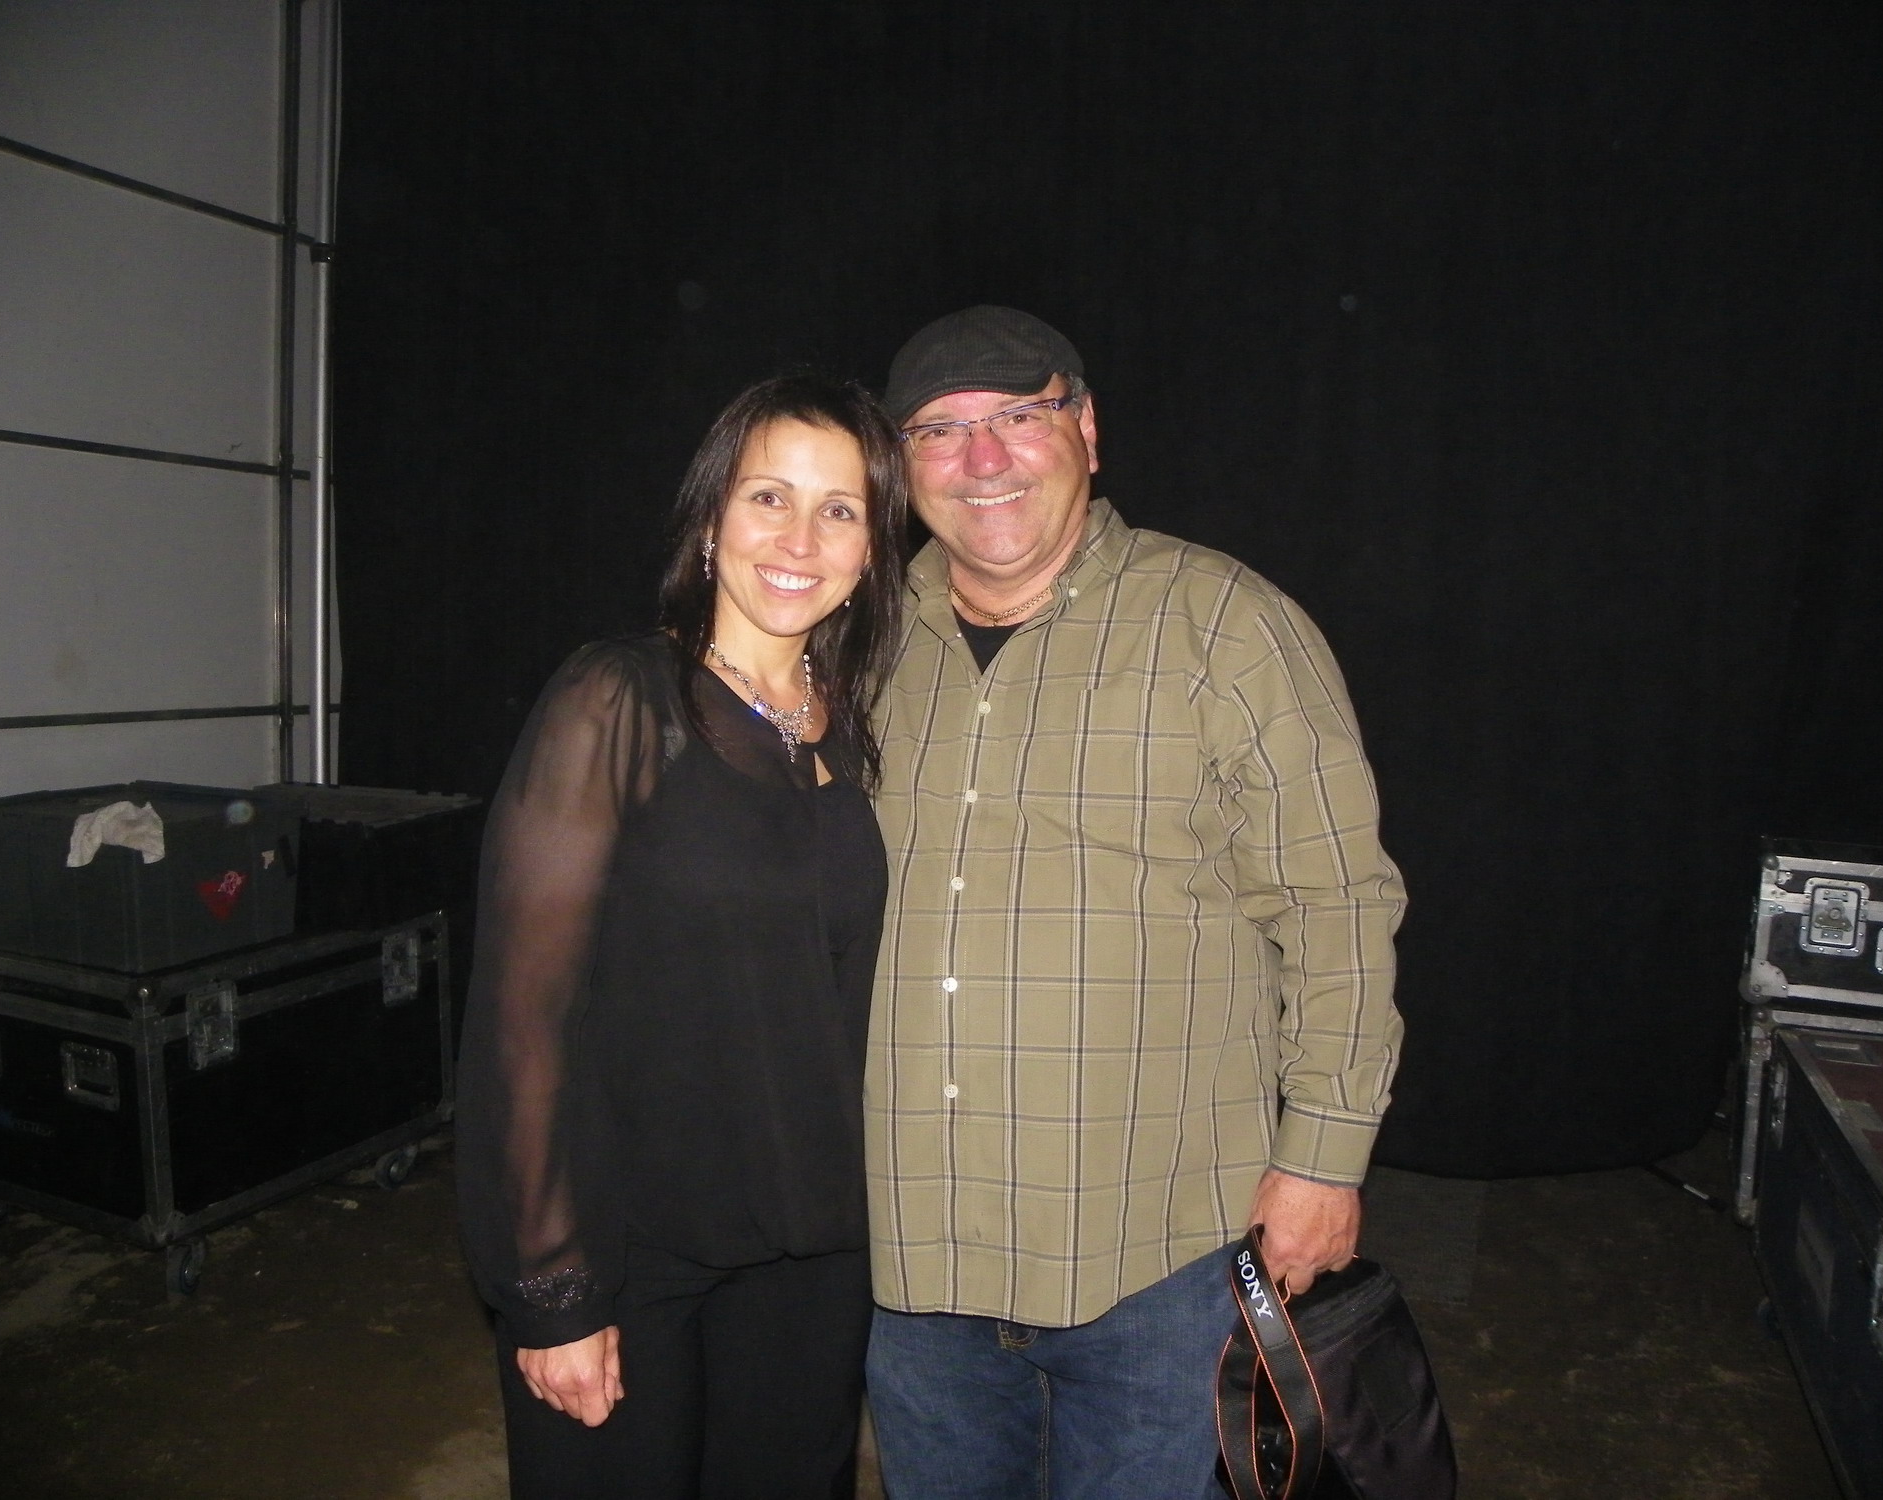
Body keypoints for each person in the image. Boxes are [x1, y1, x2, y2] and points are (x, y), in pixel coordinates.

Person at [863, 307, 1407, 1499]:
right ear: (900, 467)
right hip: (914, 1260)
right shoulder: (862, 644)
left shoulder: (1225, 625)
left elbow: (1335, 903)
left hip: (1154, 1262)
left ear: (1087, 430)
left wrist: (1322, 1158)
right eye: (939, 430)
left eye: (1020, 414)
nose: (982, 457)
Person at [456, 374, 909, 1500]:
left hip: (816, 1253)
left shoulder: (859, 726)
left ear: (871, 549)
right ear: (711, 518)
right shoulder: (619, 700)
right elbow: (521, 1019)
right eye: (768, 497)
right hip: (636, 1250)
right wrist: (552, 1291)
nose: (799, 539)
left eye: (839, 509)